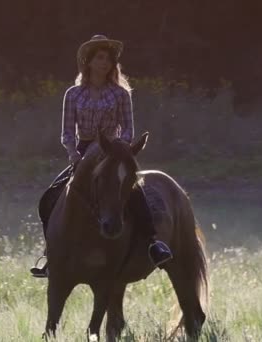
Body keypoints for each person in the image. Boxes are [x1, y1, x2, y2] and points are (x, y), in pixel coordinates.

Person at [30, 35, 173, 278]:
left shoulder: (120, 94)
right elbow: (67, 131)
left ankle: (152, 244)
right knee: (50, 197)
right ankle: (52, 255)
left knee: (134, 193)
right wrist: (73, 153)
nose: (105, 63)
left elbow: (128, 128)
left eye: (108, 59)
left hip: (114, 151)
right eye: (100, 58)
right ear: (89, 62)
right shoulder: (73, 94)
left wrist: (120, 150)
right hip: (84, 151)